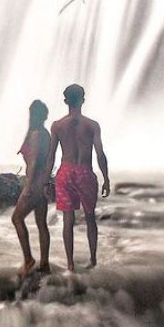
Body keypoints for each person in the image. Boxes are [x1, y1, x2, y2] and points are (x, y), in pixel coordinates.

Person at [48, 84, 110, 270]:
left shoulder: (57, 126)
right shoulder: (92, 125)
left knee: (68, 219)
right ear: (83, 99)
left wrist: (45, 179)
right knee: (90, 217)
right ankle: (92, 260)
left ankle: (70, 263)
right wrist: (106, 178)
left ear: (66, 101)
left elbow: (51, 154)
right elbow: (100, 153)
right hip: (84, 172)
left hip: (65, 172)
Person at [12, 99, 52, 279]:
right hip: (42, 183)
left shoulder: (35, 134)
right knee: (41, 224)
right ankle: (44, 264)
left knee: (17, 218)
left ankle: (28, 259)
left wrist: (28, 187)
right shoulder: (45, 134)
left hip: (34, 183)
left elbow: (34, 162)